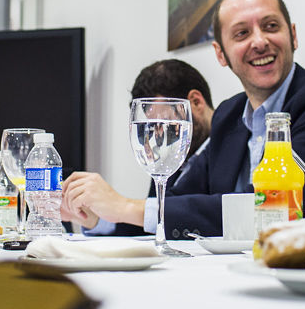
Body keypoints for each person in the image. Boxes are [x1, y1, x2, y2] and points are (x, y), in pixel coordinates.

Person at [62, 0, 305, 238]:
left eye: (271, 26)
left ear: (293, 36)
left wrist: (124, 207)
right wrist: (101, 216)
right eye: (242, 33)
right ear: (221, 54)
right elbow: (177, 207)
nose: (260, 42)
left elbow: (273, 210)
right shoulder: (229, 115)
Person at [65, 59, 215, 236]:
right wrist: (95, 219)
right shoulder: (172, 157)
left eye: (163, 123)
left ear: (196, 102)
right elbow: (154, 224)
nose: (158, 136)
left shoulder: (234, 146)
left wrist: (122, 205)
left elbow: (218, 214)